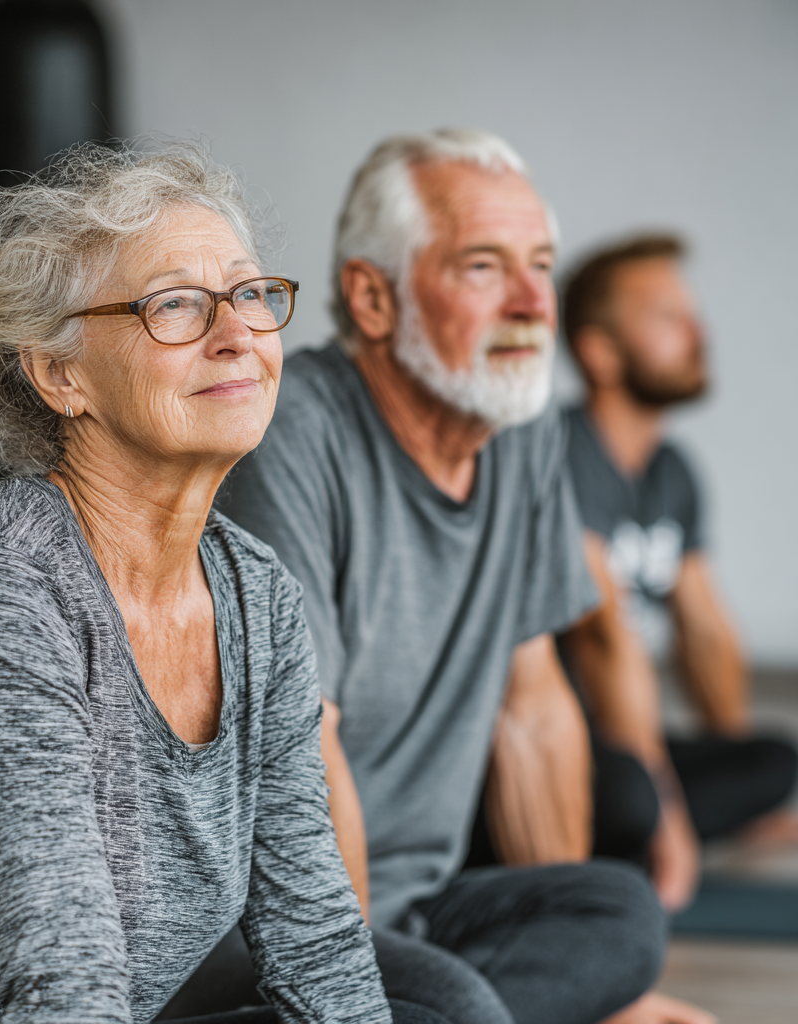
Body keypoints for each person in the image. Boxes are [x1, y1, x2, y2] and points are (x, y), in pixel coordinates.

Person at [0, 142, 446, 1024]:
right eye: (175, 305)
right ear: (61, 374)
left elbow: (312, 935)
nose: (238, 335)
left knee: (430, 1010)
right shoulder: (0, 588)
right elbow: (65, 976)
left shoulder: (258, 596)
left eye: (249, 294)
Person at [213, 130, 674, 1024]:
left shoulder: (521, 424)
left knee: (619, 914)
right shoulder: (294, 430)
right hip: (272, 932)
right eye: (484, 268)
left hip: (421, 911)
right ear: (372, 298)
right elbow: (307, 753)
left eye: (541, 265)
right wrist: (349, 997)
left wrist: (601, 994)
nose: (533, 303)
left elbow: (533, 709)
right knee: (453, 1009)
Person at [558, 233, 798, 901]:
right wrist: (669, 821)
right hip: (547, 748)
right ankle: (633, 835)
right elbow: (604, 639)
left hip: (614, 744)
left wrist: (734, 762)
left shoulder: (671, 471)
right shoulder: (560, 452)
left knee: (773, 760)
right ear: (599, 352)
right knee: (637, 797)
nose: (699, 333)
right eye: (668, 318)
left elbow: (705, 631)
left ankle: (646, 824)